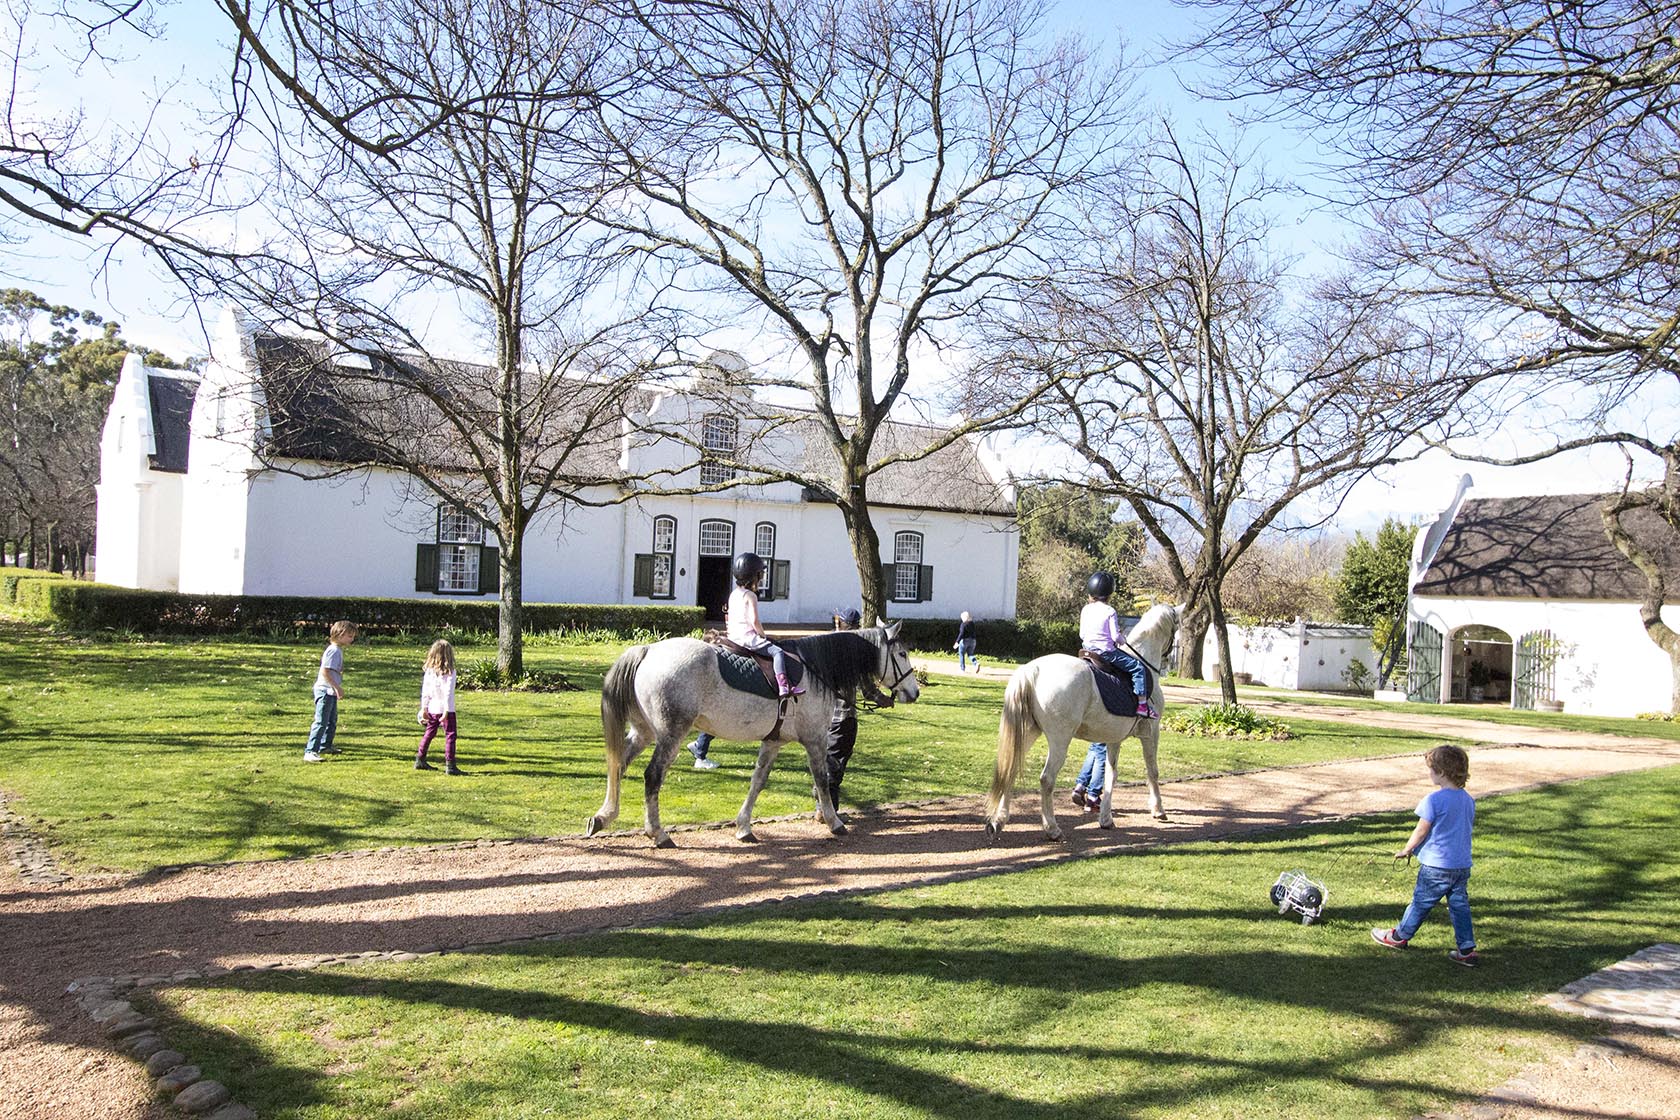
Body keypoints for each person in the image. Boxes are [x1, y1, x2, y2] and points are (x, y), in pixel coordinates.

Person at [1372, 744, 1480, 967]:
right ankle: (1466, 949)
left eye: (1431, 770)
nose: (1429, 774)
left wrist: (1408, 849)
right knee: (1460, 907)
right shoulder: (1468, 800)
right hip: (1461, 866)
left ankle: (1399, 937)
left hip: (1436, 867)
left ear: (1441, 772)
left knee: (1420, 903)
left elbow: (1422, 829)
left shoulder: (1434, 800)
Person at [1074, 572, 1155, 810]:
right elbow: (1113, 637)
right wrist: (1122, 639)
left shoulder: (1085, 610)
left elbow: (1081, 634)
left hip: (1087, 649)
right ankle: (1142, 703)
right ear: (1110, 593)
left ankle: (1081, 785)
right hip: (1106, 652)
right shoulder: (1109, 611)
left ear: (1090, 592)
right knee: (1138, 668)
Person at [819, 607, 892, 821]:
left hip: (819, 714)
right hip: (842, 716)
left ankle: (821, 806)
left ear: (839, 622)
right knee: (835, 762)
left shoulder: (824, 646)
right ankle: (827, 810)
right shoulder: (851, 651)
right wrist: (882, 699)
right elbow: (865, 686)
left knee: (824, 759)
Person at [726, 551, 803, 698]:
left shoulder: (734, 594)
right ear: (755, 576)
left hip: (733, 636)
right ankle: (784, 686)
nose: (761, 578)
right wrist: (763, 635)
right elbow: (754, 621)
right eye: (760, 574)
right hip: (747, 638)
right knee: (777, 652)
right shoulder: (751, 596)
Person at [303, 620, 358, 762]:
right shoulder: (333, 651)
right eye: (350, 636)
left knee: (331, 720)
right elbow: (325, 671)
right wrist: (336, 687)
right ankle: (310, 751)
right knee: (321, 721)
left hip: (330, 691)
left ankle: (325, 745)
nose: (352, 639)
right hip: (325, 691)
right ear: (340, 635)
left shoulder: (337, 650)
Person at [415, 638, 464, 776]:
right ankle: (450, 764)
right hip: (445, 709)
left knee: (429, 733)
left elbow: (426, 690)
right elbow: (448, 692)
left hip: (432, 708)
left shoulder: (429, 671)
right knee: (450, 735)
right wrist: (447, 710)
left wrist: (424, 707)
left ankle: (420, 758)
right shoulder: (450, 672)